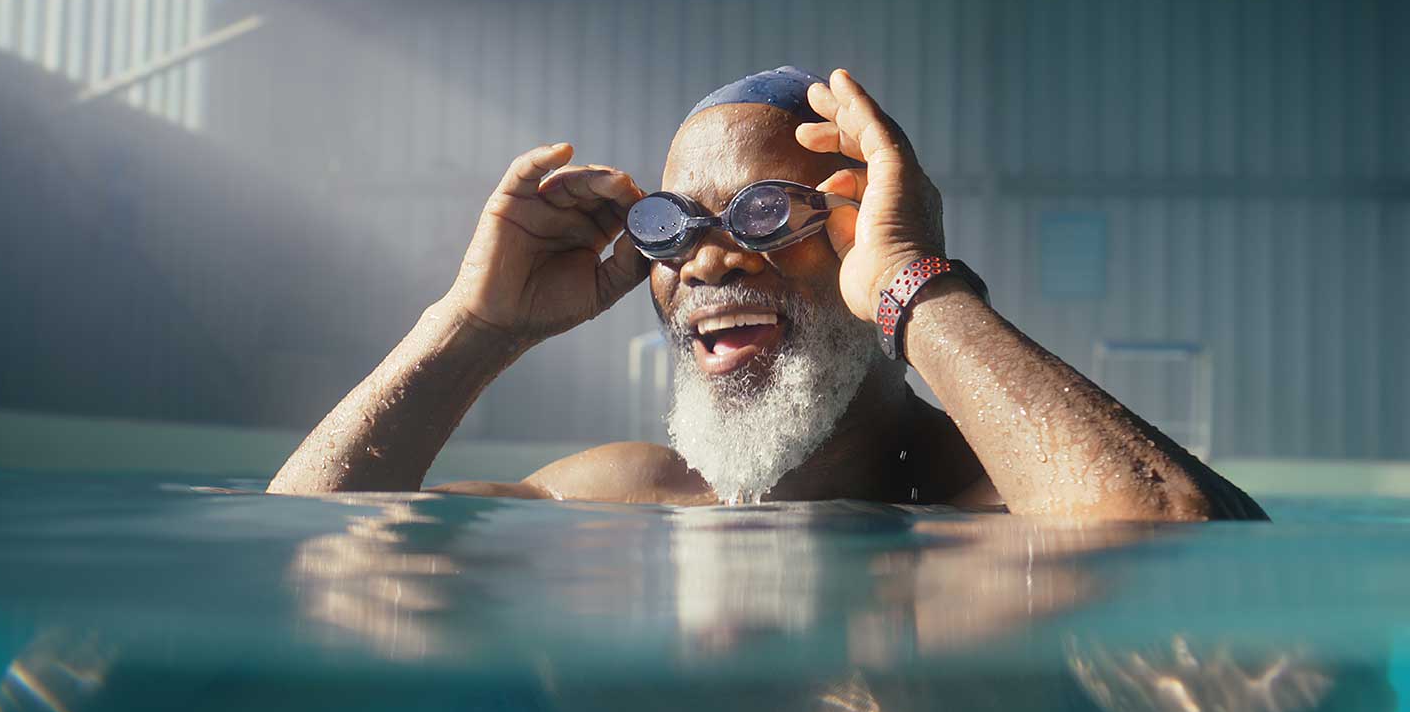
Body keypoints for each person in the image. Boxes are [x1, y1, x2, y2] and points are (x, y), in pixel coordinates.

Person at [267, 66, 1265, 522]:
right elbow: (302, 557)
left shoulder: (997, 502)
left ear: (863, 227)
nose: (707, 262)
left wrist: (910, 282)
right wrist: (473, 327)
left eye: (764, 213)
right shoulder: (619, 499)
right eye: (672, 226)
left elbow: (1179, 547)